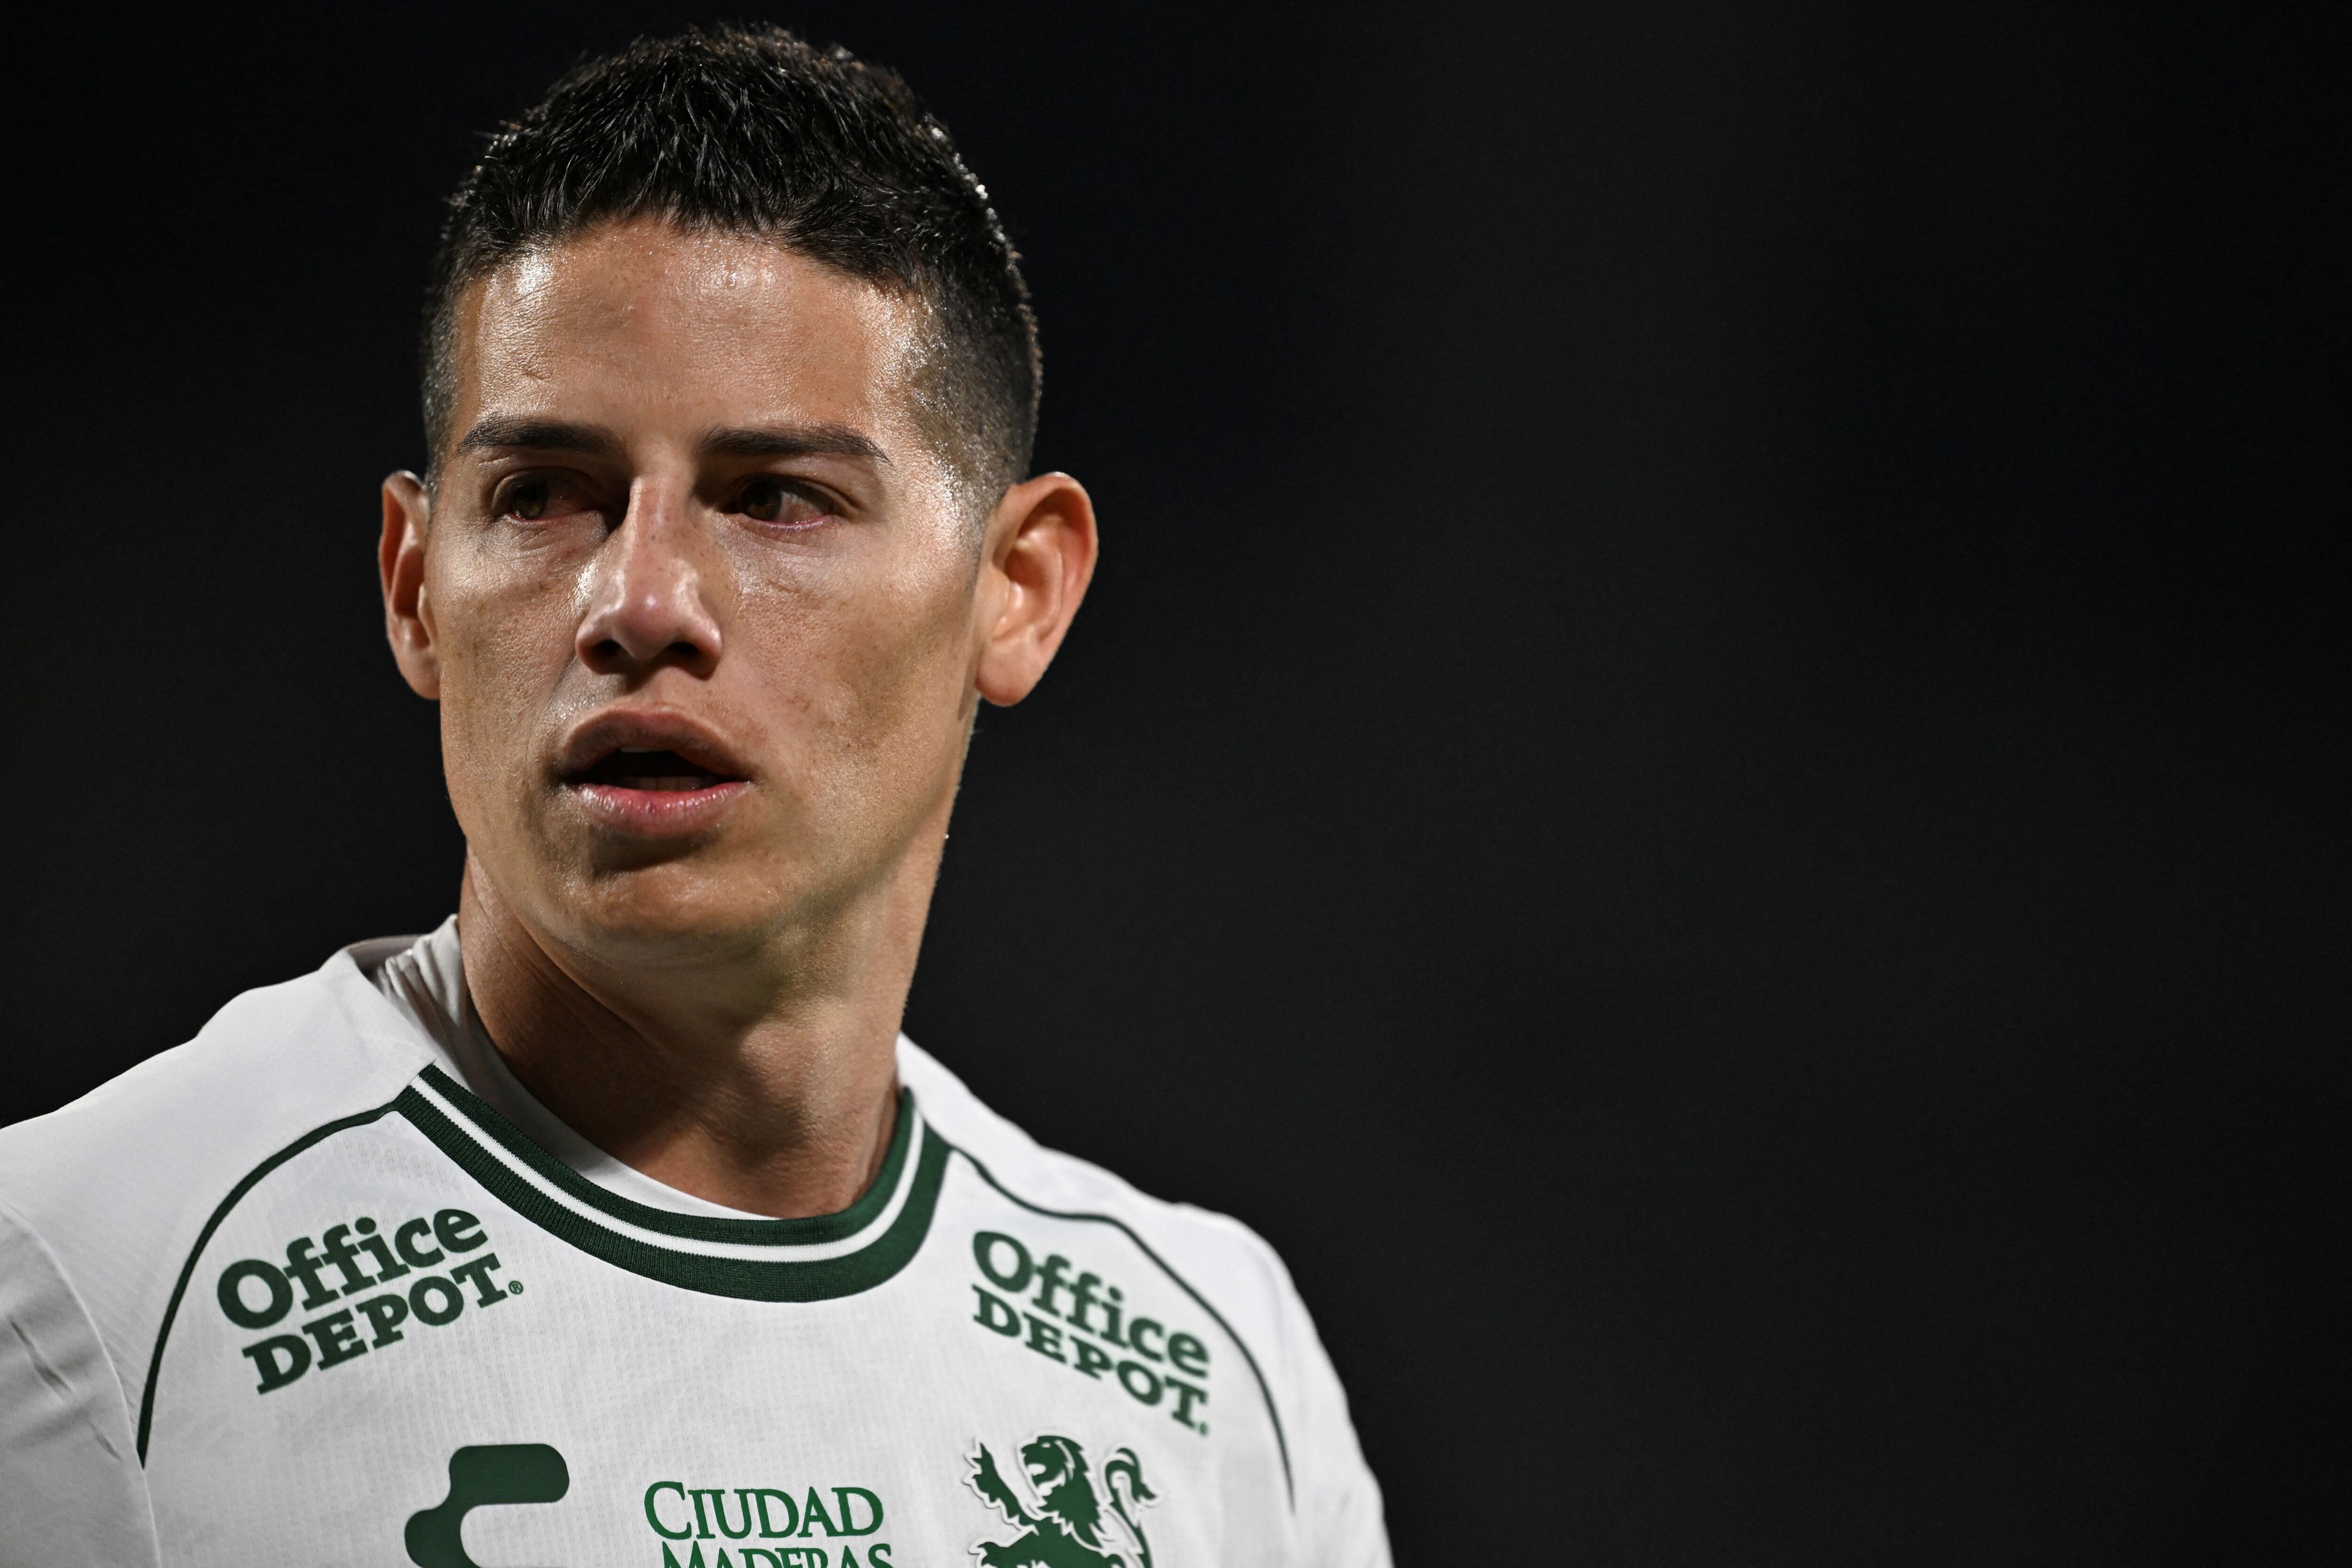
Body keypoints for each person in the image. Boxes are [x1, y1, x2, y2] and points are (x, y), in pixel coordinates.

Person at [0, 26, 1386, 1565]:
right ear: (413, 589)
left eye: (778, 498)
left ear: (1018, 589)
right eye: (542, 495)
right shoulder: (82, 1289)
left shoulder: (1209, 1380)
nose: (640, 599)